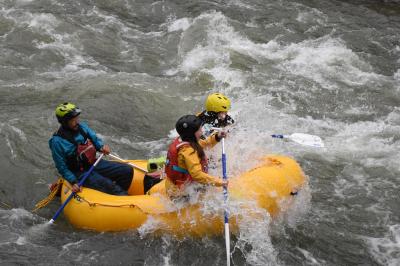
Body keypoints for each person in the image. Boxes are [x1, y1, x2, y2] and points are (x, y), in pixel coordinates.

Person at [49, 102, 133, 195]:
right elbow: (61, 166)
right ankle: (118, 194)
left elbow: (95, 139)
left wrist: (101, 147)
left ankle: (117, 195)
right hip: (78, 172)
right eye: (73, 119)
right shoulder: (56, 142)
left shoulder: (82, 127)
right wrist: (73, 181)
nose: (77, 121)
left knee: (127, 171)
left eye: (77, 118)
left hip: (92, 163)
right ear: (64, 122)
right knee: (108, 185)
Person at [164, 115, 228, 199]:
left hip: (177, 185)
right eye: (199, 130)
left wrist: (217, 137)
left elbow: (205, 144)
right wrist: (219, 182)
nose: (202, 131)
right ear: (192, 134)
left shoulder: (185, 139)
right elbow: (197, 175)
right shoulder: (188, 151)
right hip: (181, 194)